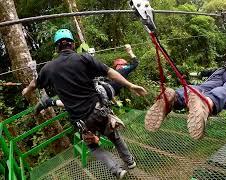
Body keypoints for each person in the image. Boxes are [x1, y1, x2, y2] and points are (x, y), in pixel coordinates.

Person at [22, 29, 147, 179]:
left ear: (57, 47)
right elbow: (110, 72)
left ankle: (117, 170)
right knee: (114, 136)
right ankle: (130, 162)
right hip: (99, 111)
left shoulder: (48, 68)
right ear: (73, 44)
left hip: (83, 122)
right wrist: (130, 85)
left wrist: (26, 91)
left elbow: (33, 85)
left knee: (93, 147)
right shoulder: (84, 58)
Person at [34, 44, 139, 113]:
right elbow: (135, 63)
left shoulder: (121, 71)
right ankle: (50, 102)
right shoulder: (122, 72)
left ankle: (50, 100)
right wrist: (130, 51)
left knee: (77, 99)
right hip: (103, 91)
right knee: (80, 103)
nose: (119, 68)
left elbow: (133, 64)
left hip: (102, 89)